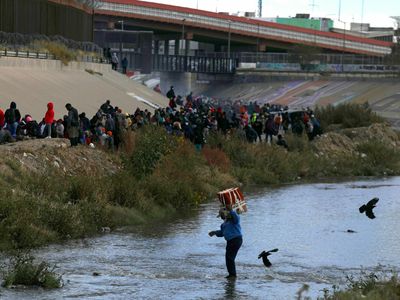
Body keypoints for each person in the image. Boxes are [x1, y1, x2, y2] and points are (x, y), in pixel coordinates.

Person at [209, 206, 243, 279]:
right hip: (230, 241)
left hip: (236, 239)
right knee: (228, 258)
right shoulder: (223, 225)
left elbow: (237, 218)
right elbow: (222, 233)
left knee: (230, 258)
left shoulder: (233, 221)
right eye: (221, 215)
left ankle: (233, 275)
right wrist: (214, 232)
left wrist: (231, 210)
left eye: (222, 215)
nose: (221, 217)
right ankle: (231, 274)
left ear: (226, 214)